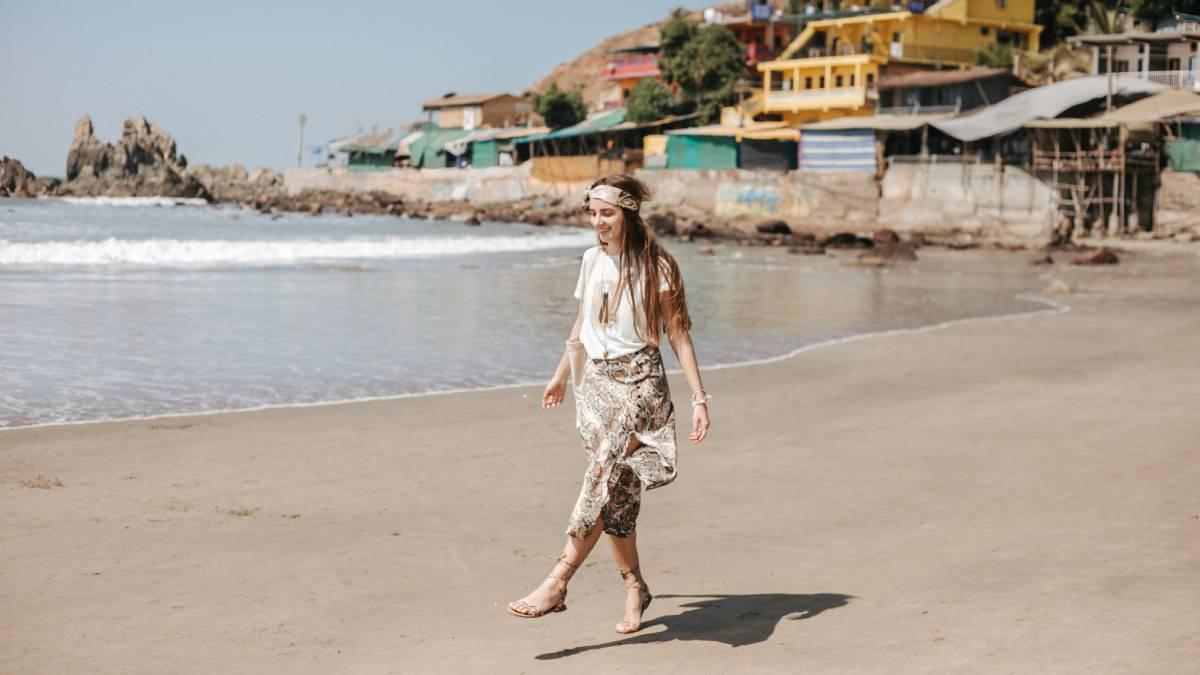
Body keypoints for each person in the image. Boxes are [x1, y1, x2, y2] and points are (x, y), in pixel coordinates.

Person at [506, 175, 711, 634]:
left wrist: (699, 399)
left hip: (641, 387)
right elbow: (582, 324)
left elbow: (678, 334)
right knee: (617, 490)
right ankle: (635, 585)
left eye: (607, 213)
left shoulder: (657, 266)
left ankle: (557, 581)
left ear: (629, 213)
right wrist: (561, 374)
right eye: (592, 213)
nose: (597, 222)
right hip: (596, 387)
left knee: (600, 477)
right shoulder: (591, 260)